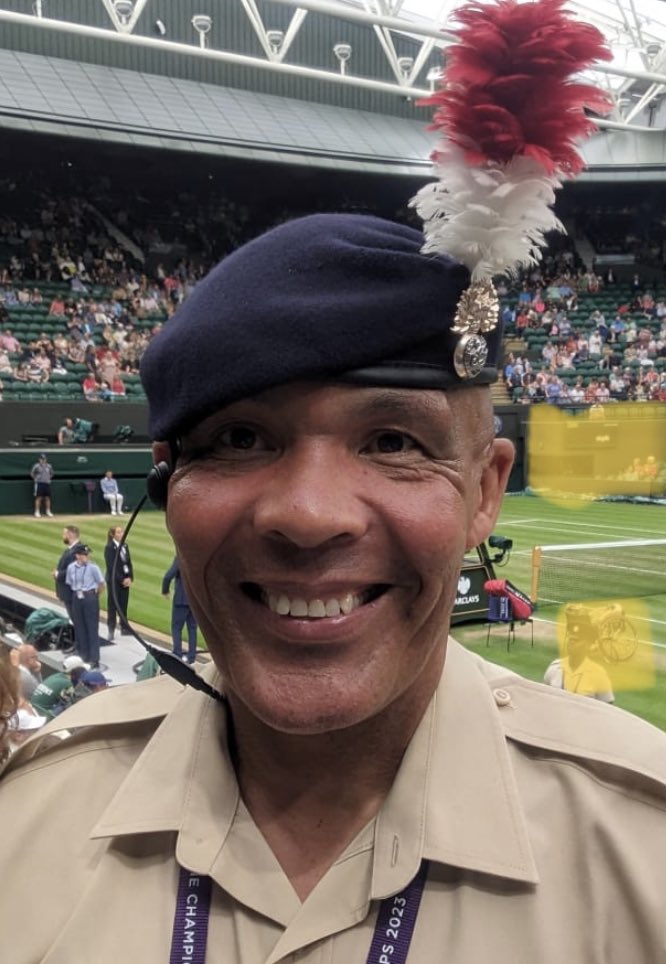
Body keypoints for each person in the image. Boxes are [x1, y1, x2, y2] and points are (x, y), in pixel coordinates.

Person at [2, 6, 666, 960]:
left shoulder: (643, 851)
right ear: (166, 487)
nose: (309, 516)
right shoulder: (25, 826)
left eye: (394, 442)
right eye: (237, 438)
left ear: (486, 492)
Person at [65, 545, 105, 668]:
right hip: (77, 597)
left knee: (92, 628)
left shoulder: (93, 567)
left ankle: (94, 658)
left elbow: (101, 584)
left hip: (89, 597)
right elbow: (70, 582)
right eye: (83, 554)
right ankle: (83, 655)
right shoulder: (71, 568)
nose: (86, 557)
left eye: (87, 555)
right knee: (79, 627)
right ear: (77, 555)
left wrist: (94, 595)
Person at [162, 556, 198, 663]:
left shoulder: (181, 558)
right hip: (194, 600)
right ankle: (192, 656)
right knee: (192, 628)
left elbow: (168, 576)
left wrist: (165, 590)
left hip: (181, 600)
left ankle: (177, 654)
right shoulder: (197, 558)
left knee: (176, 627)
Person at [30, 655, 88, 720]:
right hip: (43, 715)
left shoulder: (57, 676)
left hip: (33, 709)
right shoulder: (67, 684)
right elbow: (71, 705)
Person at [104, 526, 133, 641]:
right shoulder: (110, 547)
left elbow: (129, 563)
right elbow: (112, 567)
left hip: (125, 580)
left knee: (123, 604)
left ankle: (124, 627)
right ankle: (111, 630)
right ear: (113, 534)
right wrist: (122, 579)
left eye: (122, 532)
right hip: (114, 582)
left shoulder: (125, 546)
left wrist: (130, 577)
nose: (121, 534)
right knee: (112, 606)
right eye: (119, 532)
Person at [52, 524, 81, 619]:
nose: (63, 536)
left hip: (71, 592)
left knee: (76, 619)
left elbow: (73, 570)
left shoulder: (77, 549)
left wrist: (58, 574)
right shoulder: (71, 549)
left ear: (71, 535)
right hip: (69, 592)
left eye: (64, 534)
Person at [30, 452, 54, 518]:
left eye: (44, 459)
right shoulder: (36, 466)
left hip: (47, 483)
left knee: (47, 498)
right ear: (39, 459)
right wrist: (36, 479)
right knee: (39, 497)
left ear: (46, 459)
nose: (43, 460)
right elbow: (32, 474)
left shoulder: (49, 466)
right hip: (39, 483)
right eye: (42, 459)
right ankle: (37, 512)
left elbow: (52, 473)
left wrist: (48, 479)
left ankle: (48, 511)